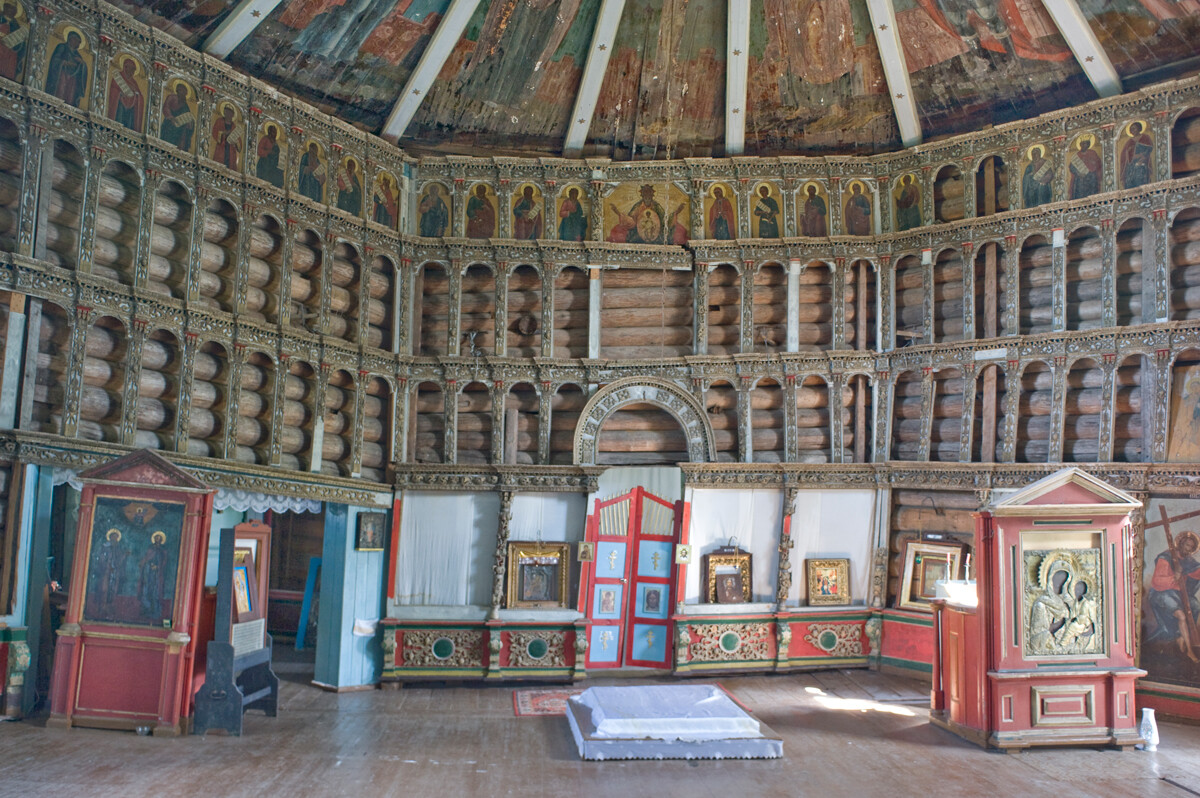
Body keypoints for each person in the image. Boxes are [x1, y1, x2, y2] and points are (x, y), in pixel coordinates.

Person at [1148, 530, 1200, 663]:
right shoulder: (1166, 557)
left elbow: (1196, 572)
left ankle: (1181, 637)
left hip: (1175, 593)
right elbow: (1157, 581)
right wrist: (1174, 577)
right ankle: (1189, 650)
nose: (1188, 549)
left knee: (1194, 605)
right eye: (1186, 545)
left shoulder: (1188, 560)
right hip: (1160, 593)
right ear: (1181, 544)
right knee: (1181, 615)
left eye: (1191, 547)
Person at [45, 29, 87, 108]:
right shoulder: (62, 47)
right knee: (60, 90)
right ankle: (54, 106)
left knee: (70, 95)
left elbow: (83, 69)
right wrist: (65, 63)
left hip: (72, 78)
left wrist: (82, 63)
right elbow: (55, 60)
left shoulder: (77, 54)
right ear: (70, 39)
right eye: (76, 40)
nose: (77, 44)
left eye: (78, 42)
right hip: (61, 74)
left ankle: (68, 108)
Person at [137, 530, 169, 622]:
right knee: (146, 590)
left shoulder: (163, 550)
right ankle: (146, 609)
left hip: (157, 575)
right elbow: (146, 558)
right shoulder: (150, 548)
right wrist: (146, 565)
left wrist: (158, 567)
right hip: (148, 573)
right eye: (156, 538)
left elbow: (164, 562)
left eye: (159, 538)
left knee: (155, 591)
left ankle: (155, 611)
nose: (157, 539)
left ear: (161, 540)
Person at [106, 57, 143, 132]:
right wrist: (119, 94)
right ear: (125, 67)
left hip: (130, 111)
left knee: (128, 125)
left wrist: (136, 95)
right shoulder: (118, 76)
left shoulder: (134, 82)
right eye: (131, 69)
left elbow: (140, 97)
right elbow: (113, 90)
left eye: (134, 70)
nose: (132, 72)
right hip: (119, 106)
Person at [159, 82, 195, 152]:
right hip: (170, 123)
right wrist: (171, 117)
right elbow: (166, 107)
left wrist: (190, 123)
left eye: (184, 92)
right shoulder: (171, 97)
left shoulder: (185, 104)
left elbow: (187, 115)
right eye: (181, 90)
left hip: (181, 128)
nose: (182, 93)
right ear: (177, 90)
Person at [1121, 121, 1154, 190]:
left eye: (1134, 128)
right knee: (1130, 179)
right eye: (1131, 129)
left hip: (1142, 162)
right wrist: (1128, 152)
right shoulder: (1129, 141)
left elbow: (1149, 148)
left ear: (1139, 128)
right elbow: (1123, 154)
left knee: (1140, 175)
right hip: (1131, 164)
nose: (1132, 131)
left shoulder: (1145, 137)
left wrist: (1141, 155)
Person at [0, 4, 27, 82]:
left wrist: (22, 41)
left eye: (13, 9)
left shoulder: (16, 25)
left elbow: (21, 47)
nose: (10, 11)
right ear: (4, 8)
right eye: (9, 8)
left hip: (10, 55)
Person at [210, 104, 241, 170]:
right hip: (221, 149)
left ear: (233, 115)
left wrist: (235, 142)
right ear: (224, 112)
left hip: (231, 152)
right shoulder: (219, 121)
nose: (228, 114)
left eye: (230, 112)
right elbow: (214, 132)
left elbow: (239, 144)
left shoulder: (234, 126)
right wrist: (224, 133)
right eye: (227, 111)